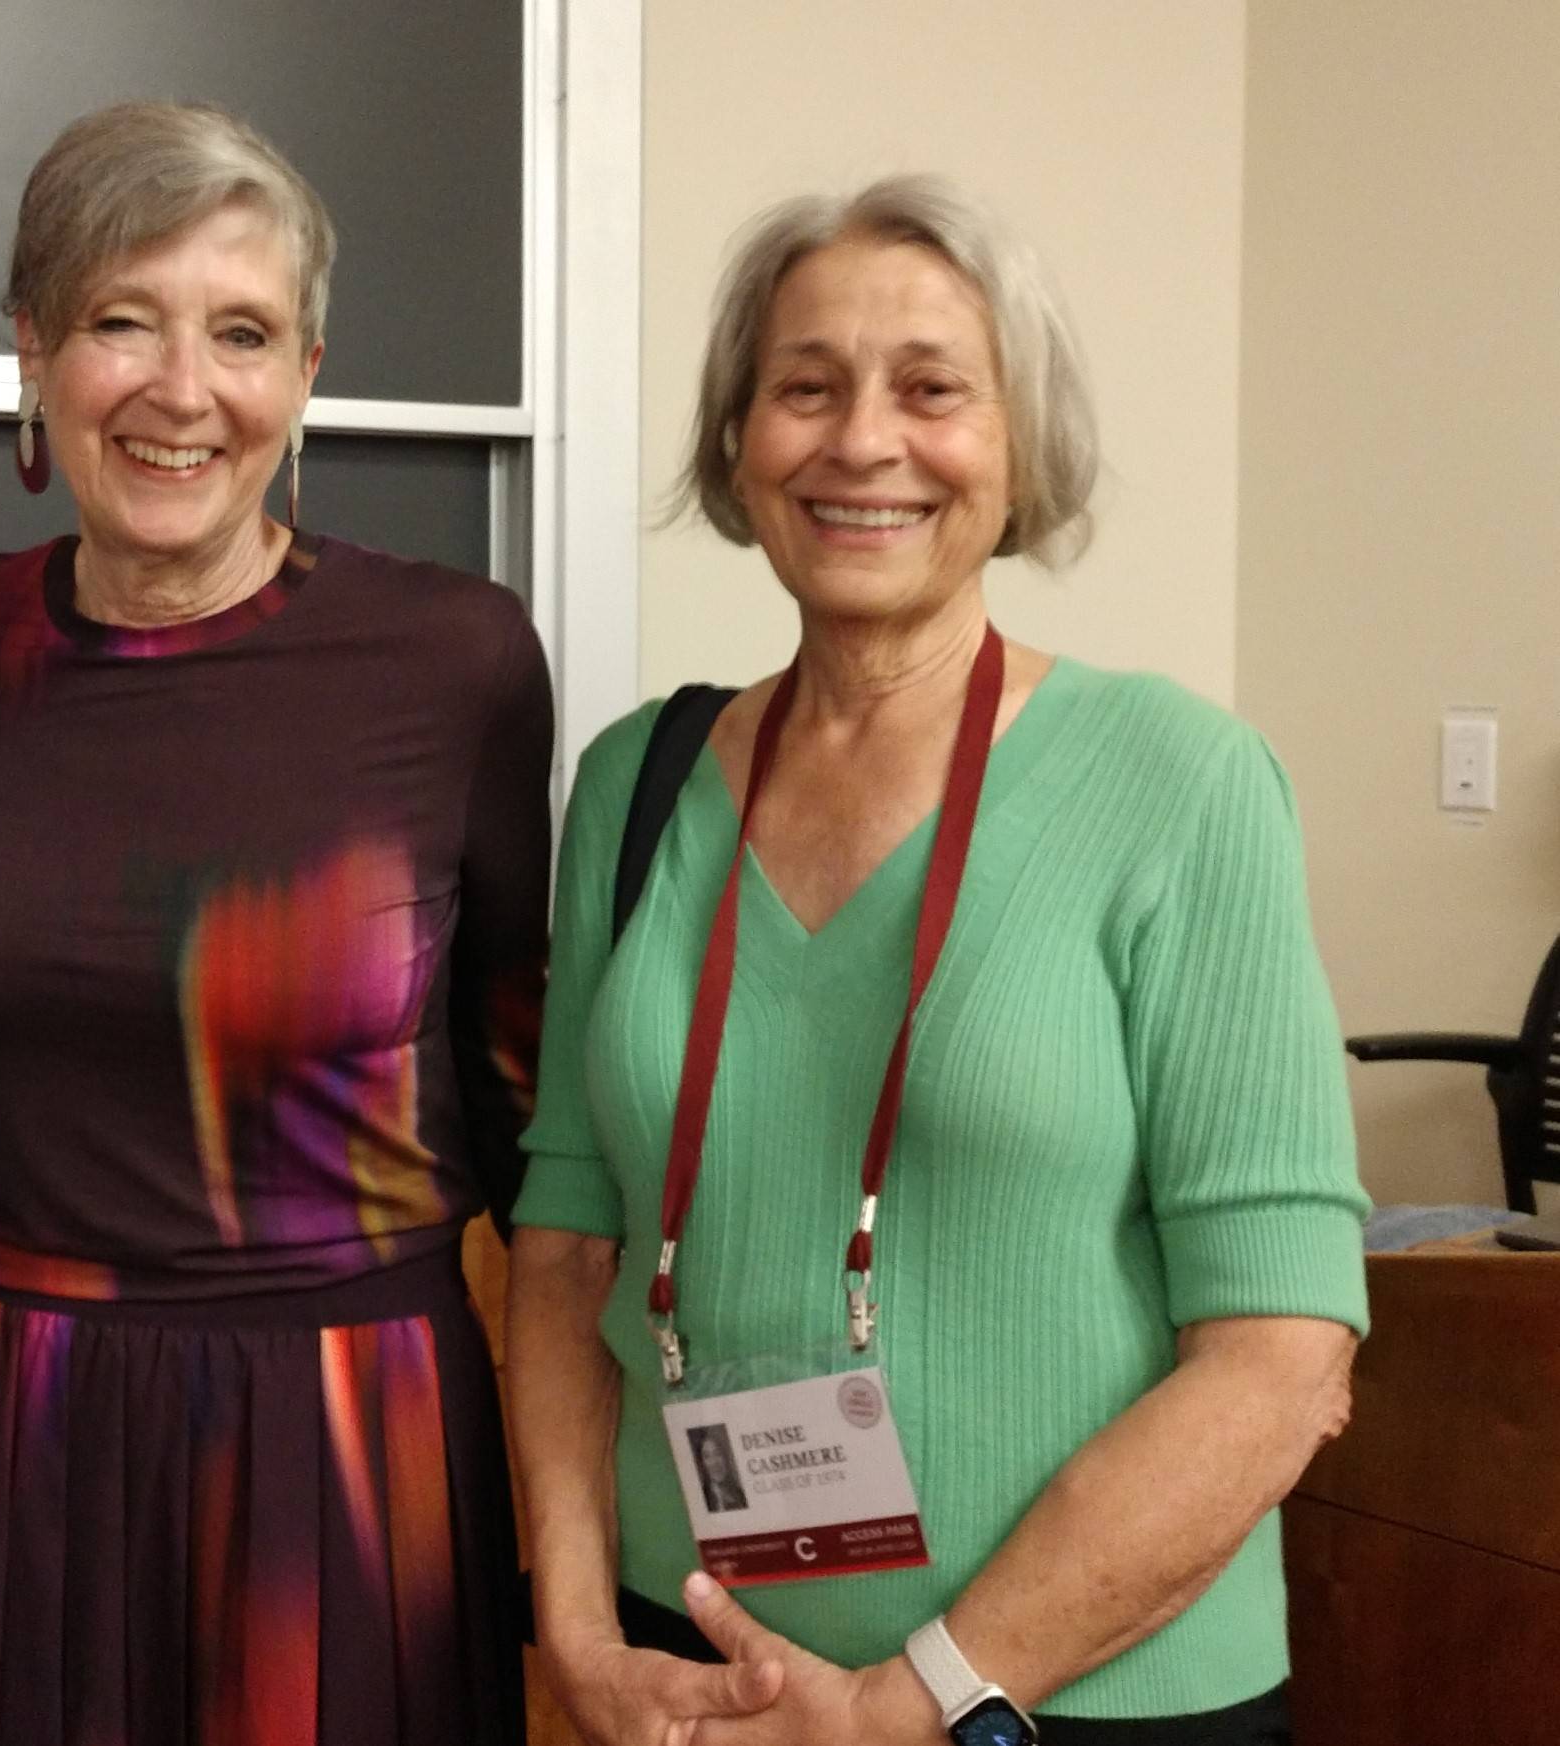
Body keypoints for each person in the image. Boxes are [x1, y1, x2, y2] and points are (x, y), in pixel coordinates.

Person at [507, 176, 1369, 1746]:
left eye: (929, 388)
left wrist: (918, 1699)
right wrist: (571, 1631)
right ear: (733, 441)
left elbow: (1276, 1352)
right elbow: (565, 1247)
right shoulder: (631, 785)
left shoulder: (1179, 781)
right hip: (680, 1685)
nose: (860, 441)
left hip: (1060, 1706)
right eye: (803, 387)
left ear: (1016, 444)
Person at [0, 101, 550, 1746]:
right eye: (119, 320)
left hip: (342, 1435)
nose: (182, 390)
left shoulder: (454, 663)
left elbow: (538, 1115)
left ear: (305, 372)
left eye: (239, 332)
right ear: (32, 349)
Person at [686, 1425, 747, 1515]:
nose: (714, 1462)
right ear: (702, 1464)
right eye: (707, 1456)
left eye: (717, 1453)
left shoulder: (740, 1494)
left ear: (725, 1457)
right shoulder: (699, 1498)